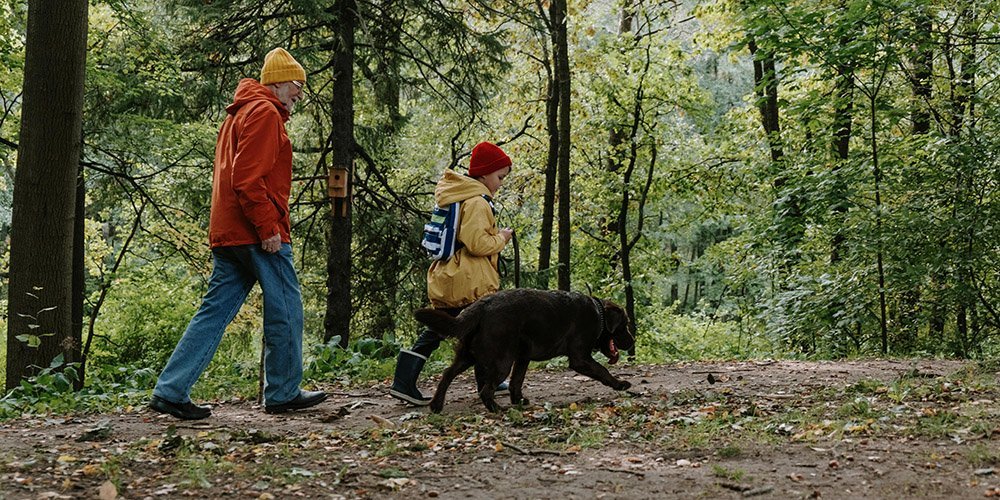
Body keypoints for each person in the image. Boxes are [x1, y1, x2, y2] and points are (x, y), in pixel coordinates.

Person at [149, 48, 326, 420]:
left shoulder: (240, 114)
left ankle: (171, 389)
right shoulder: (264, 114)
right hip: (256, 232)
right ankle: (283, 391)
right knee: (287, 308)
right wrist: (268, 228)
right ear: (277, 82)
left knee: (213, 312)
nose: (300, 94)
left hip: (229, 232)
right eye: (297, 86)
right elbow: (248, 180)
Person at [390, 141, 514, 405]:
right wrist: (501, 238)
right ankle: (484, 383)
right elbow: (477, 243)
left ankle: (406, 379)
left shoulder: (459, 195)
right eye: (499, 177)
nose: (501, 183)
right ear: (484, 174)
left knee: (454, 329)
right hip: (468, 280)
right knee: (469, 328)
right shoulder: (478, 202)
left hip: (451, 275)